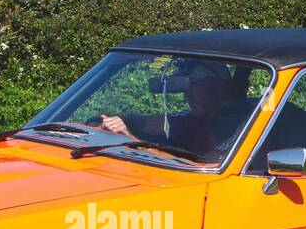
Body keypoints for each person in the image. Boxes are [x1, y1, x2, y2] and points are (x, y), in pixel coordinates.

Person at [98, 59, 249, 160]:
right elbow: (145, 123)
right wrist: (117, 121)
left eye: (195, 86)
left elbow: (205, 166)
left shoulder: (241, 127)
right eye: (186, 89)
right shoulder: (193, 120)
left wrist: (134, 143)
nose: (187, 96)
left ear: (219, 89)